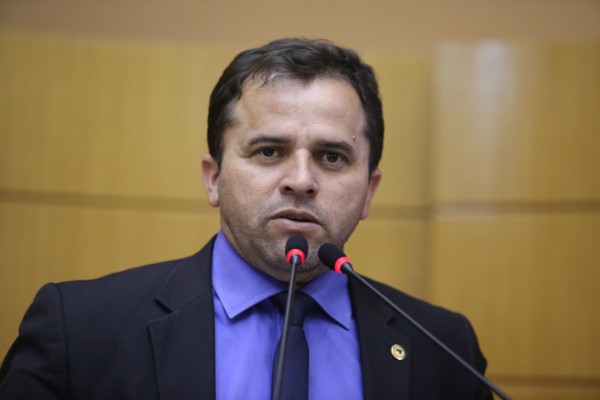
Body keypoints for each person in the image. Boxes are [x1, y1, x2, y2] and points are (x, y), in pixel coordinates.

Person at [0, 38, 492, 399]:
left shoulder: (445, 348)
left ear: (369, 191)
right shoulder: (80, 329)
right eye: (269, 151)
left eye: (332, 157)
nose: (301, 180)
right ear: (213, 178)